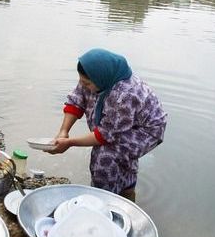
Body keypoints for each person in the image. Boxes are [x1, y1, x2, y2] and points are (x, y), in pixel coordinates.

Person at [49, 48, 167, 202]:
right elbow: (76, 101)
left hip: (146, 130)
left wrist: (70, 143)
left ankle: (103, 198)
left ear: (100, 78)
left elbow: (105, 135)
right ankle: (125, 195)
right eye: (82, 81)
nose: (83, 86)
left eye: (87, 83)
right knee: (116, 152)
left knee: (106, 155)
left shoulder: (124, 95)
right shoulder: (95, 76)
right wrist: (63, 132)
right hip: (123, 121)